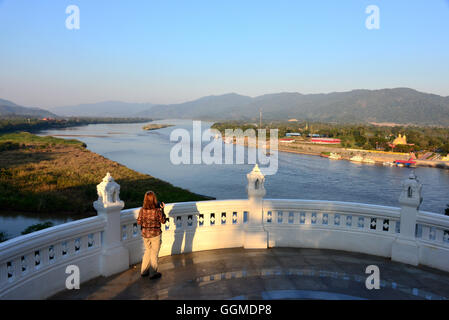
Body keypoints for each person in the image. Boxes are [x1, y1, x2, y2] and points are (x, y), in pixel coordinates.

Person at [137, 191, 167, 279]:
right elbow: (163, 221)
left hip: (145, 234)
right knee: (154, 253)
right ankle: (153, 273)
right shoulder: (157, 210)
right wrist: (162, 209)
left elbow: (139, 222)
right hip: (155, 234)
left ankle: (143, 271)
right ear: (154, 199)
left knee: (147, 251)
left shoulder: (142, 210)